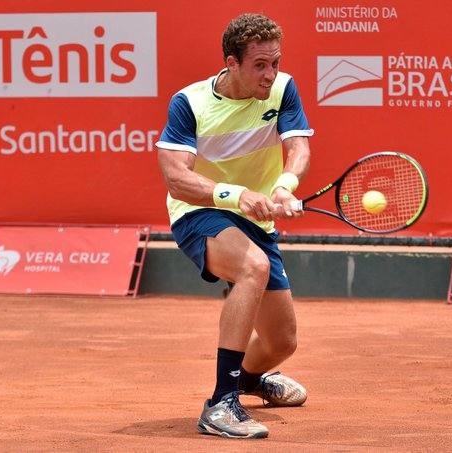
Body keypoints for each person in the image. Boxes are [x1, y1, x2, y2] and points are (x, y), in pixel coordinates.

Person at [156, 13, 313, 439]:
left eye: (275, 63)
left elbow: (298, 147)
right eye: (259, 65)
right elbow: (176, 178)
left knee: (281, 343)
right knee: (252, 267)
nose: (270, 74)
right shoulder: (189, 103)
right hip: (200, 210)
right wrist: (236, 194)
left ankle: (248, 378)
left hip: (256, 218)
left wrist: (283, 186)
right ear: (232, 63)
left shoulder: (283, 89)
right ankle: (221, 403)